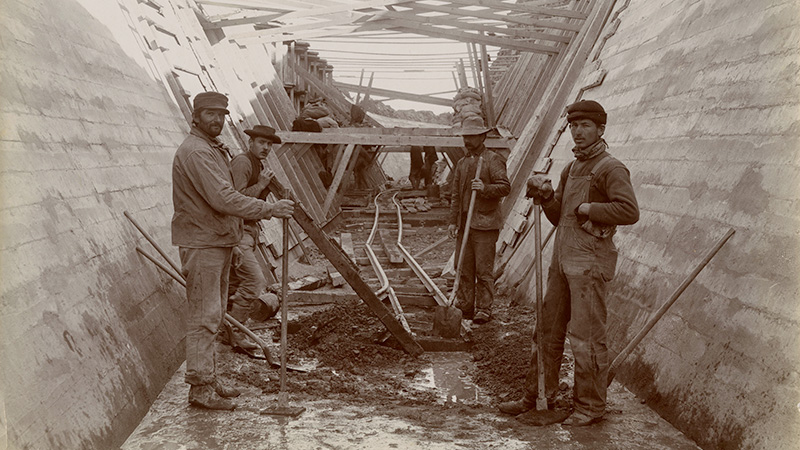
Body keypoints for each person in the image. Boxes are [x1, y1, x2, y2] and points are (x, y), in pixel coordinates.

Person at [498, 100, 639, 426]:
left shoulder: (610, 168)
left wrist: (592, 209)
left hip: (589, 265)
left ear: (601, 129)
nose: (578, 132)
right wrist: (546, 197)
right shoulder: (571, 168)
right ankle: (537, 396)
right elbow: (558, 216)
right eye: (574, 126)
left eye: (585, 126)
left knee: (586, 337)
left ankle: (589, 407)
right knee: (546, 331)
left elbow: (629, 211)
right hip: (562, 262)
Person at [172, 92, 295, 410]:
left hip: (217, 240)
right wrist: (269, 210)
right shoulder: (197, 152)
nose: (217, 119)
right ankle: (200, 390)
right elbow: (223, 198)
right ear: (195, 116)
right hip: (203, 244)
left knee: (213, 314)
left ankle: (208, 379)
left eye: (221, 114)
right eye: (209, 114)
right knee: (204, 317)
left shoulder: (211, 149)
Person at [223, 125, 283, 351]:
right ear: (250, 143)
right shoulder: (242, 163)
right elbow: (233, 199)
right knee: (254, 281)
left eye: (269, 144)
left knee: (234, 284)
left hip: (246, 232)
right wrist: (261, 185)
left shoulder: (257, 164)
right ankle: (237, 334)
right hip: (237, 232)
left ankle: (226, 331)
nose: (266, 148)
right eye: (261, 143)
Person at [447, 119, 510, 324]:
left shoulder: (493, 160)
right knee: (463, 267)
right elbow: (455, 194)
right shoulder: (462, 163)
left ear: (482, 137)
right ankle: (465, 306)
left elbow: (504, 187)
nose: (467, 140)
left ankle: (484, 309)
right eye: (465, 136)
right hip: (464, 223)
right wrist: (452, 221)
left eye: (471, 136)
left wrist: (484, 189)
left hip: (485, 223)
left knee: (483, 270)